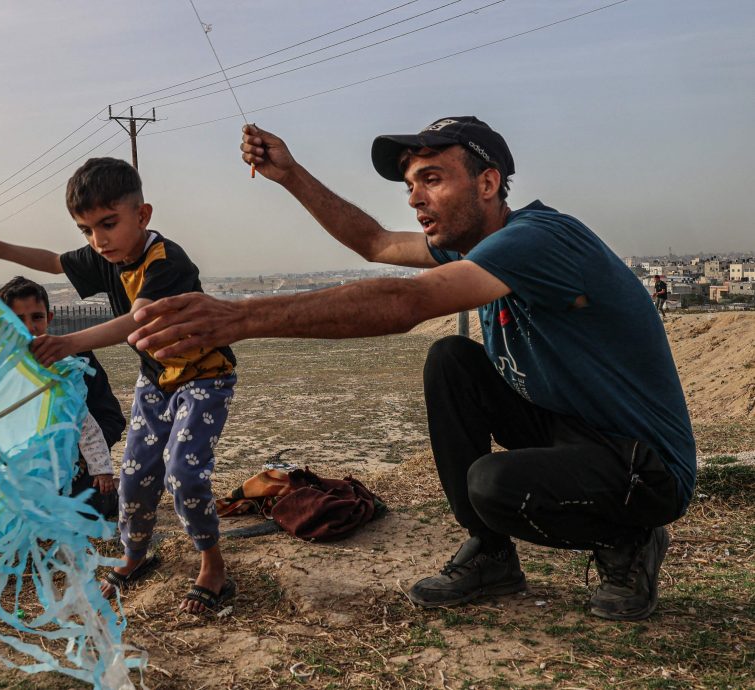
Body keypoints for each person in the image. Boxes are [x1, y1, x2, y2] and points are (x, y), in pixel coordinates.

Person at [127, 117, 695, 621]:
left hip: (642, 467)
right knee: (452, 361)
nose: (415, 198)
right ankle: (491, 555)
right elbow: (374, 242)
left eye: (433, 179)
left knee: (491, 485)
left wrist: (241, 318)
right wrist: (291, 174)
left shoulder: (538, 239)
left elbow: (406, 303)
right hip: (569, 431)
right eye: (410, 185)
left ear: (489, 183)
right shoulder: (478, 246)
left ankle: (631, 540)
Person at [0, 158, 238, 615]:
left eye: (108, 224)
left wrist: (68, 342)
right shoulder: (104, 256)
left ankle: (212, 565)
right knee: (133, 476)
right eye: (86, 229)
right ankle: (134, 556)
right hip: (156, 381)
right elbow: (54, 262)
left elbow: (139, 319)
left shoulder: (166, 260)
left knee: (183, 474)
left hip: (205, 378)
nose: (98, 239)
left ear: (142, 215)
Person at [0, 276, 125, 520]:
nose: (29, 327)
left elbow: (112, 419)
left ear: (49, 318)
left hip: (78, 474)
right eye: (17, 319)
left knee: (79, 514)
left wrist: (80, 456)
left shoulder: (77, 361)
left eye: (36, 317)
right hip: (24, 476)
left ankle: (113, 491)